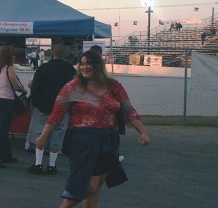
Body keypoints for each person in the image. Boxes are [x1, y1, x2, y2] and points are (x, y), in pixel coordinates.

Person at [36, 50, 150, 208]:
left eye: (89, 63)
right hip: (82, 140)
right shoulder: (73, 87)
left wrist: (143, 132)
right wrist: (43, 137)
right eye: (82, 64)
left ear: (98, 66)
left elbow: (129, 110)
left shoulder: (114, 86)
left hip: (108, 139)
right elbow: (56, 114)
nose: (85, 67)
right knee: (87, 185)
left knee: (99, 183)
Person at [28, 44, 77, 175]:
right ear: (65, 55)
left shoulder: (43, 68)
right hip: (62, 109)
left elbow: (35, 87)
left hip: (43, 107)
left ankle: (38, 164)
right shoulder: (70, 69)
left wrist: (37, 103)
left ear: (52, 53)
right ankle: (52, 165)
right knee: (57, 136)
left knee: (40, 134)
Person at [0, 46, 27, 169]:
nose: (15, 57)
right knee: (3, 132)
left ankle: (6, 155)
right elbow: (15, 86)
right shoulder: (9, 68)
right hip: (7, 101)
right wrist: (23, 89)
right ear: (10, 56)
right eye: (13, 55)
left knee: (3, 129)